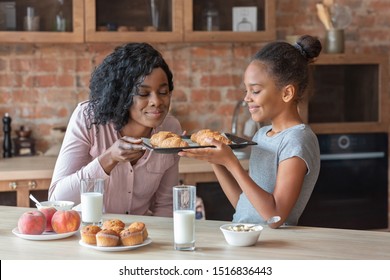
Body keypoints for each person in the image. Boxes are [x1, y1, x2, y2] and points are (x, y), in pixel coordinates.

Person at [179, 35, 322, 228]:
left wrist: (232, 162)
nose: (247, 98)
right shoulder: (262, 135)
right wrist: (215, 161)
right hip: (246, 237)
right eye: (246, 91)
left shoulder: (297, 140)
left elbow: (275, 217)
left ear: (287, 93)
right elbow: (244, 205)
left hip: (274, 247)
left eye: (255, 91)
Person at [49, 42, 182, 217]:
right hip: (90, 234)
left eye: (163, 92)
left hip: (139, 236)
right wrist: (108, 159)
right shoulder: (88, 118)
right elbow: (57, 200)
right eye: (143, 93)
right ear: (121, 94)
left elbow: (166, 204)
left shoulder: (171, 130)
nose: (156, 101)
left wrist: (163, 243)